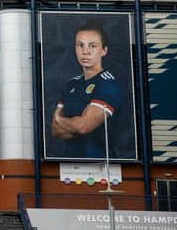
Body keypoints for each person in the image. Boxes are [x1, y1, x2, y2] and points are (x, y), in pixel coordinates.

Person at [51, 21, 124, 159]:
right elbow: (55, 131)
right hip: (70, 165)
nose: (85, 51)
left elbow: (83, 126)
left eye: (92, 46)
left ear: (104, 50)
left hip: (102, 167)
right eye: (80, 45)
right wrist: (76, 123)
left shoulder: (108, 84)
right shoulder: (71, 84)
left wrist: (61, 119)